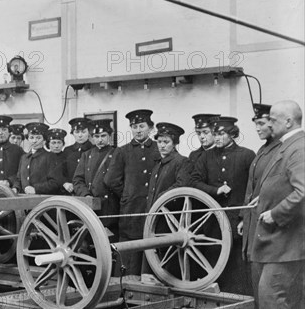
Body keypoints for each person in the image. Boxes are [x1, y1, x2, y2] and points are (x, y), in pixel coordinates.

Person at [242, 100, 305, 309]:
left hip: (285, 240)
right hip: (283, 241)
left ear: (288, 122)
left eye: (274, 121)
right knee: (288, 297)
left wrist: (275, 213)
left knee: (271, 294)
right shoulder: (287, 146)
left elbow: (303, 192)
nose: (269, 124)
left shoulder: (297, 148)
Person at [191, 116, 256, 295]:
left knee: (237, 262)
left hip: (237, 220)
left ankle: (239, 298)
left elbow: (253, 189)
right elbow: (194, 182)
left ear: (232, 134)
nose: (217, 138)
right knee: (214, 256)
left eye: (221, 134)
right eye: (215, 134)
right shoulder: (205, 156)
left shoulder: (247, 155)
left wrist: (244, 217)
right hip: (212, 221)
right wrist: (216, 190)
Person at [237, 104, 281, 309]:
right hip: (254, 221)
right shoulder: (263, 150)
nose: (257, 128)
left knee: (266, 280)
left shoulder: (280, 150)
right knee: (256, 275)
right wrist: (245, 218)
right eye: (256, 124)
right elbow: (251, 187)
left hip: (268, 222)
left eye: (261, 123)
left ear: (273, 123)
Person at [104, 109, 160, 279]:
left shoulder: (159, 148)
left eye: (142, 126)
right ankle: (124, 286)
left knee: (152, 243)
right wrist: (127, 194)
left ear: (151, 128)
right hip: (131, 209)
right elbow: (110, 179)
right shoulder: (122, 151)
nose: (138, 130)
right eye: (134, 126)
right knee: (130, 248)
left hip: (153, 207)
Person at [142, 122, 192, 283]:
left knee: (166, 249)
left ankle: (167, 281)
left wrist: (161, 198)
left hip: (170, 216)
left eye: (166, 142)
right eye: (159, 142)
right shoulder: (158, 163)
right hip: (155, 214)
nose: (162, 146)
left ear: (175, 143)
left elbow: (181, 185)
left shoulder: (181, 161)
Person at [73, 119, 119, 239]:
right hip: (91, 206)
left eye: (103, 135)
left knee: (110, 242)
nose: (100, 139)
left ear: (110, 136)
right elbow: (77, 180)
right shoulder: (87, 155)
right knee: (91, 241)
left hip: (111, 207)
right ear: (92, 137)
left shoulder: (117, 153)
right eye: (96, 136)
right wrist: (86, 195)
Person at [13, 123, 62, 195]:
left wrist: (36, 189)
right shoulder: (24, 158)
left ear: (44, 140)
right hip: (23, 199)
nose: (34, 141)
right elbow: (19, 179)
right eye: (31, 137)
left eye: (38, 138)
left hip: (42, 199)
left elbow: (55, 183)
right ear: (28, 139)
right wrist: (15, 188)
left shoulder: (50, 157)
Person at [63, 117, 93, 194]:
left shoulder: (94, 150)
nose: (80, 135)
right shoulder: (67, 150)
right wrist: (65, 183)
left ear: (89, 132)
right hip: (70, 192)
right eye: (77, 132)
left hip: (89, 192)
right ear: (73, 133)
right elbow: (62, 171)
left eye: (83, 132)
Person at [46, 128, 69, 195]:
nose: (56, 146)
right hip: (47, 192)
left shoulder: (67, 157)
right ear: (48, 144)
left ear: (63, 144)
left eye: (59, 142)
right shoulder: (44, 157)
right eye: (53, 143)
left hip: (64, 192)